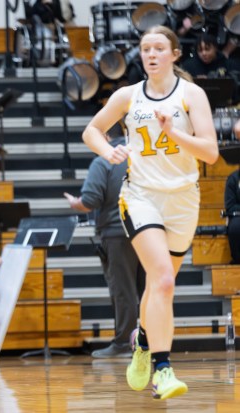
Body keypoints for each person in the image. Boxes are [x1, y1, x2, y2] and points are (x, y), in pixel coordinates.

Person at [82, 25, 218, 400]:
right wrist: (107, 151)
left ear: (175, 53)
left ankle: (142, 338)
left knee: (161, 285)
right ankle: (163, 368)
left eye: (159, 48)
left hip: (182, 201)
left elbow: (210, 152)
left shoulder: (192, 95)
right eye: (145, 49)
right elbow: (91, 130)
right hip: (140, 198)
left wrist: (173, 133)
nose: (151, 54)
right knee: (163, 280)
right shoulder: (128, 96)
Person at [64, 122, 145, 358]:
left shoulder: (103, 160)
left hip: (117, 233)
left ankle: (123, 344)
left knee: (124, 290)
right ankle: (152, 343)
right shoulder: (141, 156)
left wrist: (75, 203)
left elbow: (90, 200)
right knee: (148, 290)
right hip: (147, 230)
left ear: (106, 136)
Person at [224, 169, 240, 265]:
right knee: (235, 227)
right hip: (238, 215)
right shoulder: (233, 178)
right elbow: (230, 206)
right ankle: (237, 259)